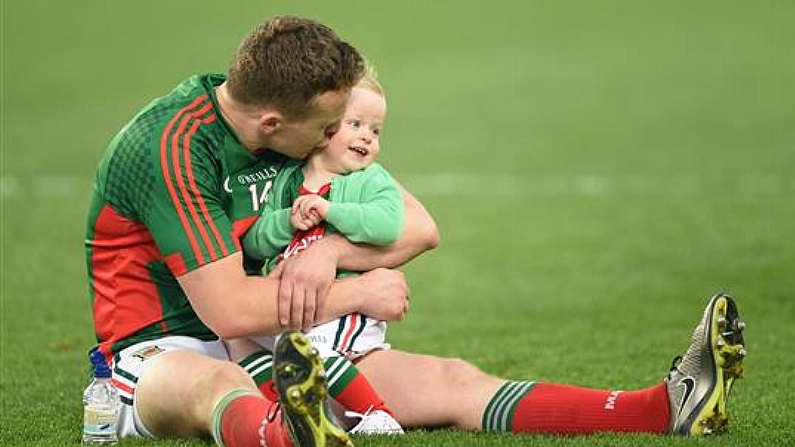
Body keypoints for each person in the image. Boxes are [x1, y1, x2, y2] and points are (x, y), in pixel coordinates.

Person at [218, 61, 748, 439]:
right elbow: (232, 298)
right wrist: (354, 284)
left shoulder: (344, 171)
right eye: (343, 123)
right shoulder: (244, 165)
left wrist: (332, 252)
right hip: (244, 343)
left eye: (366, 126)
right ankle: (292, 427)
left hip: (328, 342)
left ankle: (661, 408)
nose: (359, 135)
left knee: (456, 380)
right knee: (247, 350)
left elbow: (419, 229)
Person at [84, 16, 439, 447]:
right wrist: (360, 294)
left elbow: (420, 228)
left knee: (447, 382)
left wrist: (329, 251)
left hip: (276, 340)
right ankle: (286, 434)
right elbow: (230, 311)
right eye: (328, 127)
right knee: (217, 382)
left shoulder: (289, 129)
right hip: (162, 351)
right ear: (271, 123)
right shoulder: (170, 146)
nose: (333, 136)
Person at [226, 68, 404, 435]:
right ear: (325, 127)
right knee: (238, 340)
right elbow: (255, 243)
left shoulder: (370, 179)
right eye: (355, 124)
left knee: (305, 349)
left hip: (343, 309)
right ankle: (294, 411)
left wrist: (331, 212)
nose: (367, 137)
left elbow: (388, 226)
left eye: (376, 130)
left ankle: (377, 414)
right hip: (292, 305)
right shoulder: (288, 180)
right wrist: (286, 222)